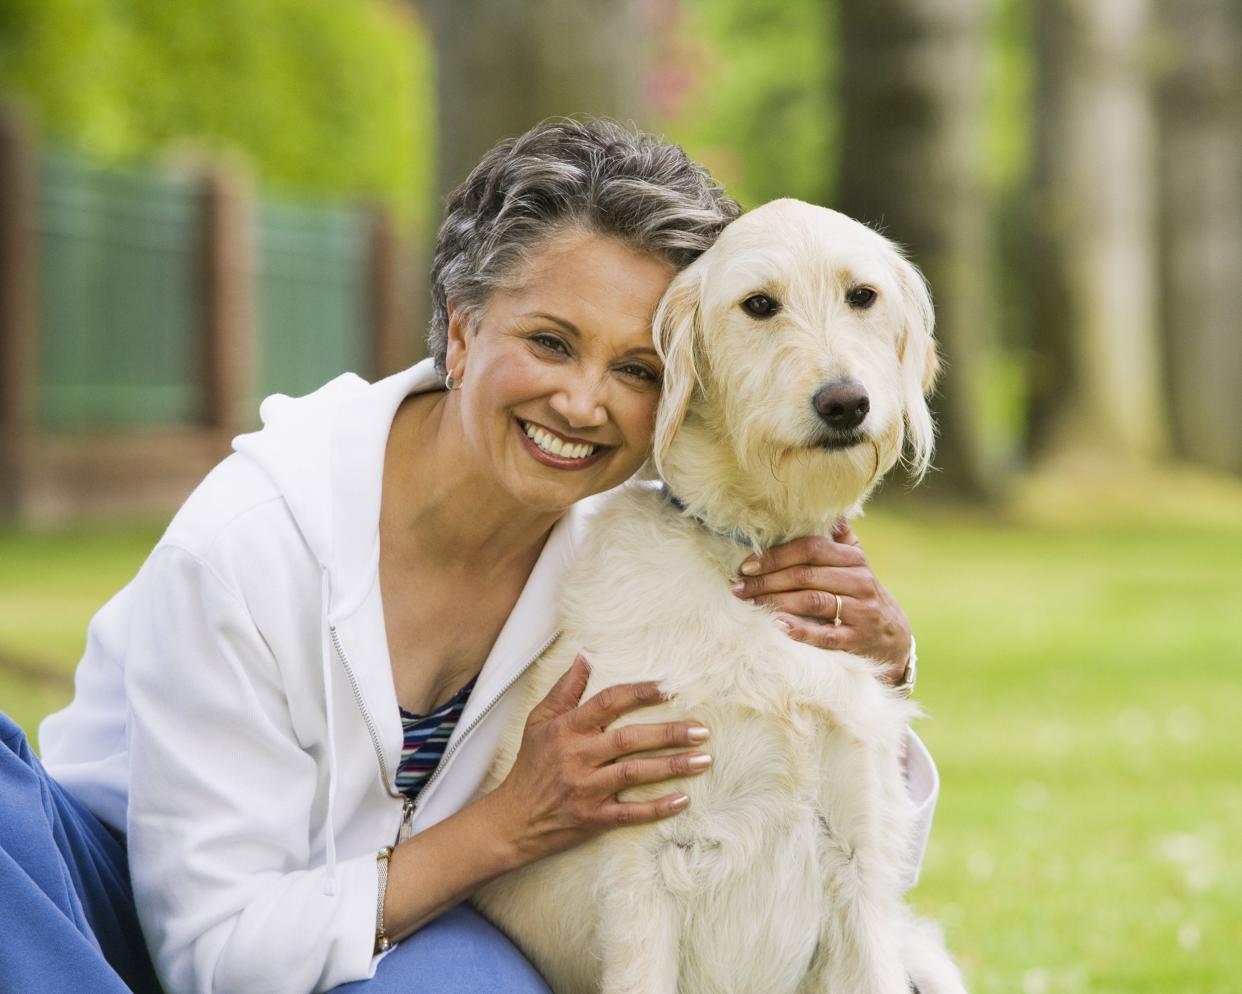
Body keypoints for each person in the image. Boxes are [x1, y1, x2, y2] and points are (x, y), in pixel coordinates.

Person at [2, 119, 938, 994]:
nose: (582, 403)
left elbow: (802, 857)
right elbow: (213, 950)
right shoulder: (251, 542)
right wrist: (507, 824)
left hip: (408, 933)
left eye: (635, 370)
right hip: (113, 919)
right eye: (548, 342)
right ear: (459, 330)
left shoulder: (652, 535)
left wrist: (879, 667)